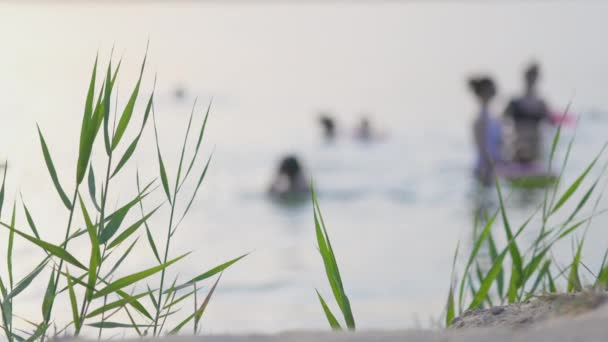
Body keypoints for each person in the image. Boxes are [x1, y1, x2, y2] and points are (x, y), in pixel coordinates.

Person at [503, 62, 551, 163]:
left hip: (535, 144)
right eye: (529, 77)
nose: (531, 81)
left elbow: (551, 123)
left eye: (534, 78)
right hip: (518, 144)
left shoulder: (541, 103)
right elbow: (501, 121)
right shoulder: (514, 101)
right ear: (524, 78)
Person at [469, 76, 502, 185]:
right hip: (485, 168)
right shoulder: (480, 118)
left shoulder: (492, 116)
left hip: (493, 166)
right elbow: (482, 148)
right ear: (484, 92)